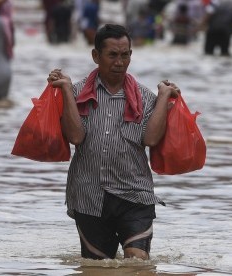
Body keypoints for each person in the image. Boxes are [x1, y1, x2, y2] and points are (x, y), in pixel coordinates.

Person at [47, 24, 180, 260]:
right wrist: (66, 90)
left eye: (125, 55)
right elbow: (76, 137)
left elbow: (150, 138)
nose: (120, 62)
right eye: (112, 55)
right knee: (97, 268)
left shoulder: (147, 97)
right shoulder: (76, 94)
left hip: (135, 195)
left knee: (137, 264)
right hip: (90, 196)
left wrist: (163, 97)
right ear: (96, 56)